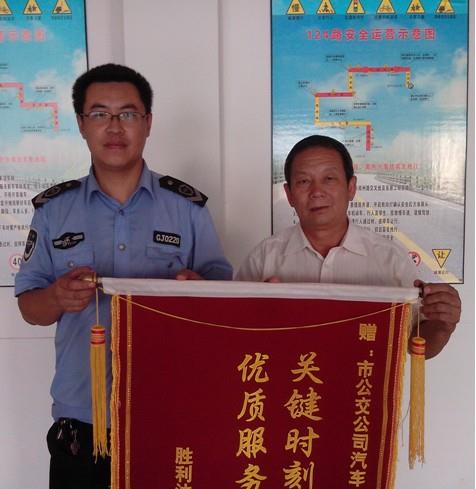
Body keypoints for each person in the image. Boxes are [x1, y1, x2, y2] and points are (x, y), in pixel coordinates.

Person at [15, 63, 232, 489]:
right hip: (84, 423)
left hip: (170, 414)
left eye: (128, 114)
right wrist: (57, 297)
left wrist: (199, 293)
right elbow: (30, 308)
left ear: (148, 122)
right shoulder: (54, 211)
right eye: (100, 114)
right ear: (81, 124)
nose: (114, 127)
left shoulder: (187, 209)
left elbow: (224, 305)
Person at [236, 134, 461, 359]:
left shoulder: (390, 260)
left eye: (329, 179)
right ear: (289, 194)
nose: (317, 192)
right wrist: (257, 312)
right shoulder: (263, 258)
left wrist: (443, 325)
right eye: (304, 181)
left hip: (364, 380)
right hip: (292, 381)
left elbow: (419, 345)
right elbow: (233, 335)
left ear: (351, 187)